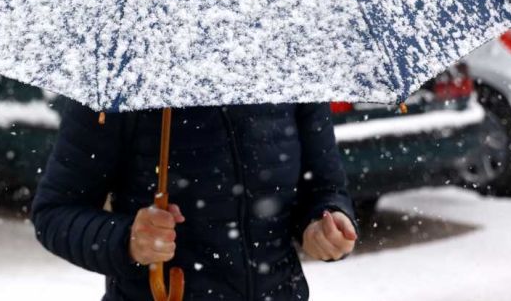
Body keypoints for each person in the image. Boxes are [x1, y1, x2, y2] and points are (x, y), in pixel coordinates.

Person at [31, 100, 358, 300]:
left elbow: (323, 188)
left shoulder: (286, 62)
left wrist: (323, 222)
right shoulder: (123, 79)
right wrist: (128, 240)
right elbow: (54, 212)